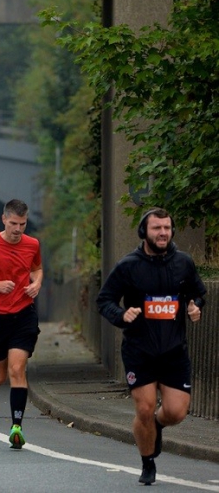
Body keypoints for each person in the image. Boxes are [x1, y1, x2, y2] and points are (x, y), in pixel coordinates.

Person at [97, 208, 206, 485]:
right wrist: (122, 315)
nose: (163, 233)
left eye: (167, 228)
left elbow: (198, 292)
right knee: (144, 408)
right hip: (139, 350)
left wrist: (195, 307)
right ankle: (147, 463)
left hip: (173, 352)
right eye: (157, 228)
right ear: (144, 231)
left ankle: (156, 426)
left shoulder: (183, 263)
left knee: (176, 413)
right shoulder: (128, 265)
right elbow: (105, 300)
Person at [0, 199, 42, 449]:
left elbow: (37, 268)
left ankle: (17, 427)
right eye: (13, 223)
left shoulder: (32, 244)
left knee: (16, 370)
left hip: (23, 314)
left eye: (22, 224)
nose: (18, 229)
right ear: (4, 219)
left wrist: (37, 283)